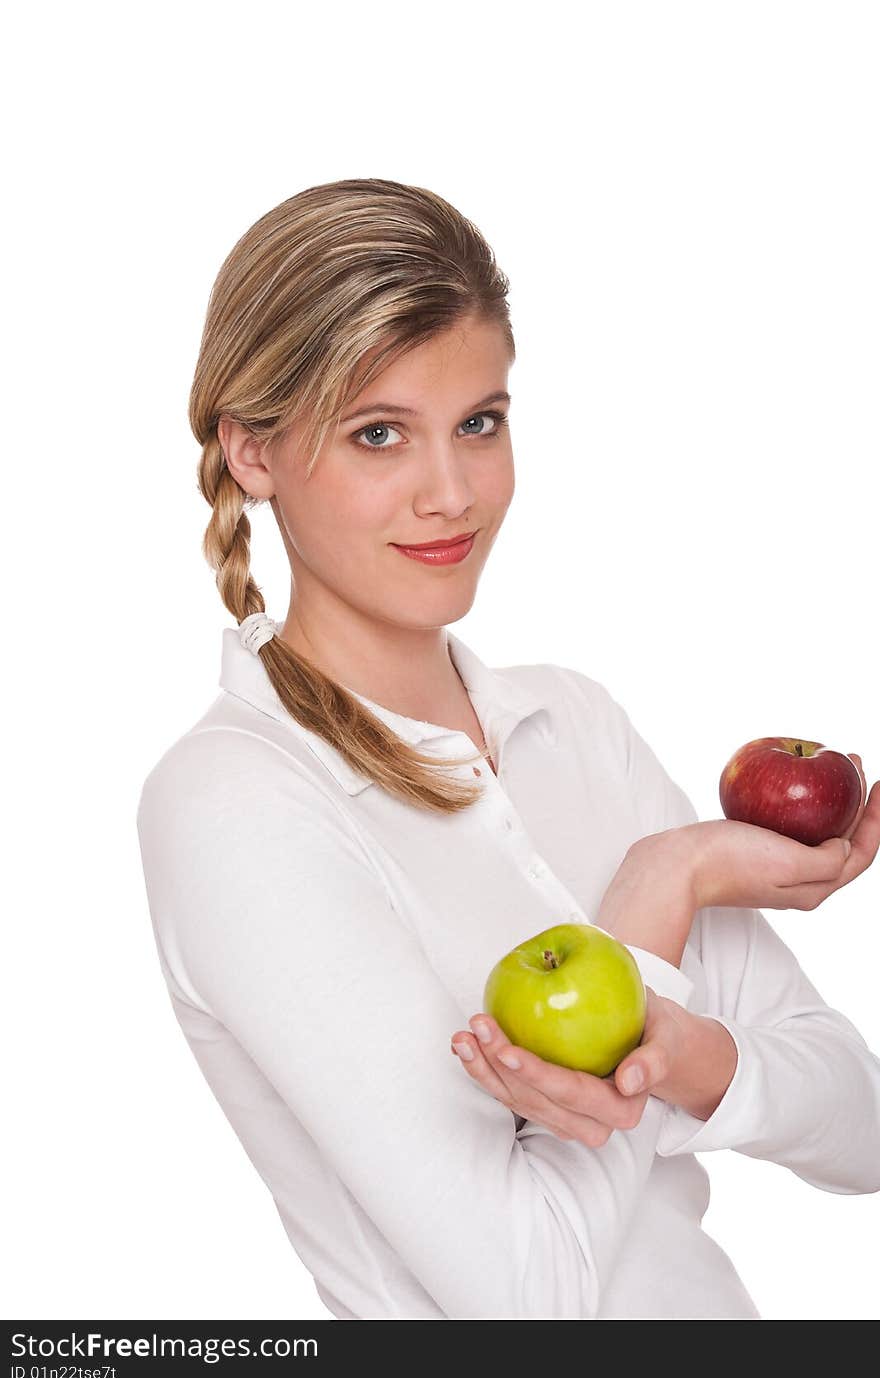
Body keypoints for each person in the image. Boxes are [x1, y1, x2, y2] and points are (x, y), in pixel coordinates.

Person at [135, 177, 880, 1320]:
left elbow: (863, 1129)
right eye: (378, 433)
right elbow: (530, 1296)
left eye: (479, 421)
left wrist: (682, 1055)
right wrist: (657, 887)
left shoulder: (570, 722)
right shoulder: (237, 799)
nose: (453, 494)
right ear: (251, 452)